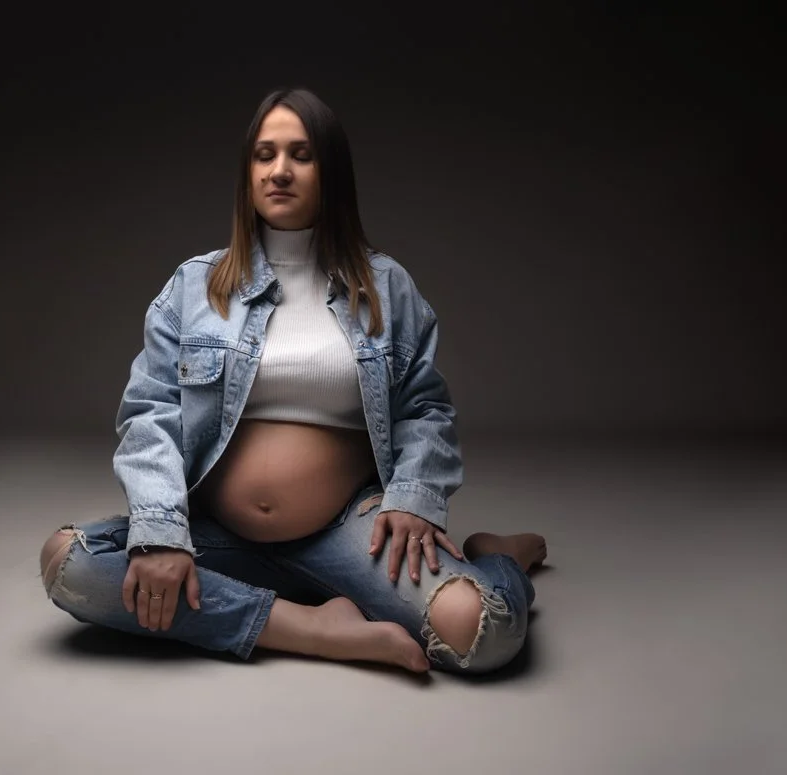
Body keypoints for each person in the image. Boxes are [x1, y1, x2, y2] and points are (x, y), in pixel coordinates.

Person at [39, 87, 547, 675]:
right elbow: (150, 412)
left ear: (330, 172)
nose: (279, 171)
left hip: (349, 535)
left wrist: (415, 499)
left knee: (483, 632)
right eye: (264, 154)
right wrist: (159, 534)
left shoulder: (385, 287)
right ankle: (308, 628)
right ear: (247, 174)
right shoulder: (195, 286)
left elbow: (424, 409)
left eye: (300, 155)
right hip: (216, 536)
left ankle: (500, 558)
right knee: (69, 562)